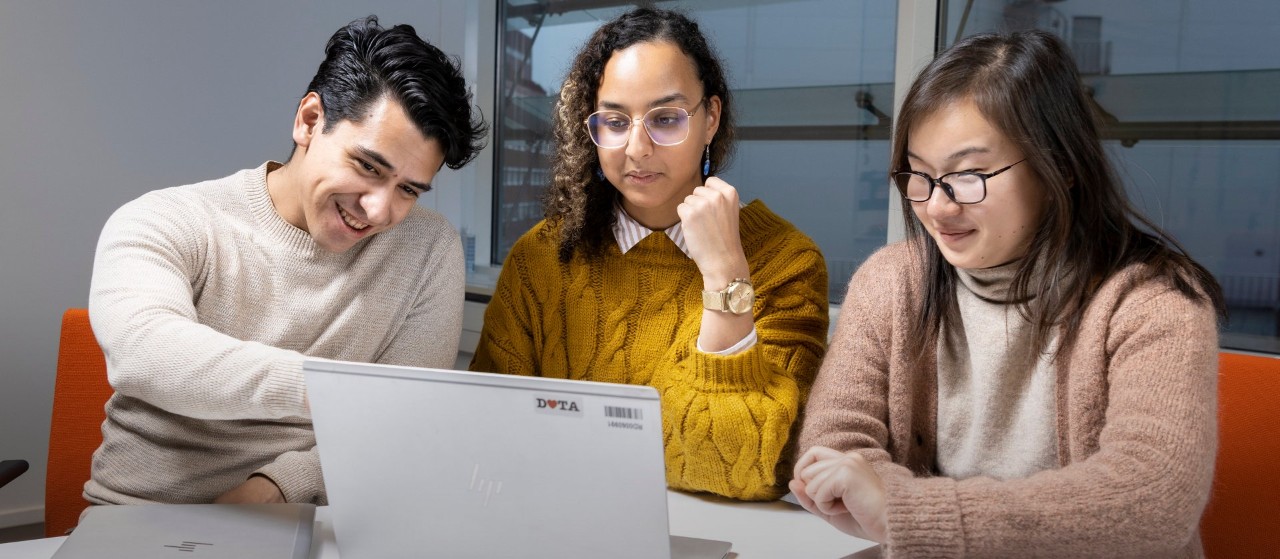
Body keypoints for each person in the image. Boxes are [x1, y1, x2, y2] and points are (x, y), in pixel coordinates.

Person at [791, 30, 1225, 557]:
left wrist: (903, 511)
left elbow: (1151, 501)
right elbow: (833, 449)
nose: (937, 207)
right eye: (920, 176)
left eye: (968, 176)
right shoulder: (891, 282)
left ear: (1059, 166)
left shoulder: (1154, 301)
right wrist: (879, 504)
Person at [85, 16, 487, 506]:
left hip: (313, 517)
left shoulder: (428, 250)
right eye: (367, 166)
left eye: (407, 189)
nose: (379, 210)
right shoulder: (166, 219)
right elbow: (143, 355)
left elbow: (397, 421)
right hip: (143, 516)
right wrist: (327, 388)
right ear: (310, 121)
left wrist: (274, 488)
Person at [470, 7, 828, 501]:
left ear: (711, 120)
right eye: (615, 122)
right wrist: (669, 441)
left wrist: (725, 276)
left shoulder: (786, 262)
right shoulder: (543, 259)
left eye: (665, 119)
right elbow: (489, 433)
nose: (636, 148)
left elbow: (753, 466)